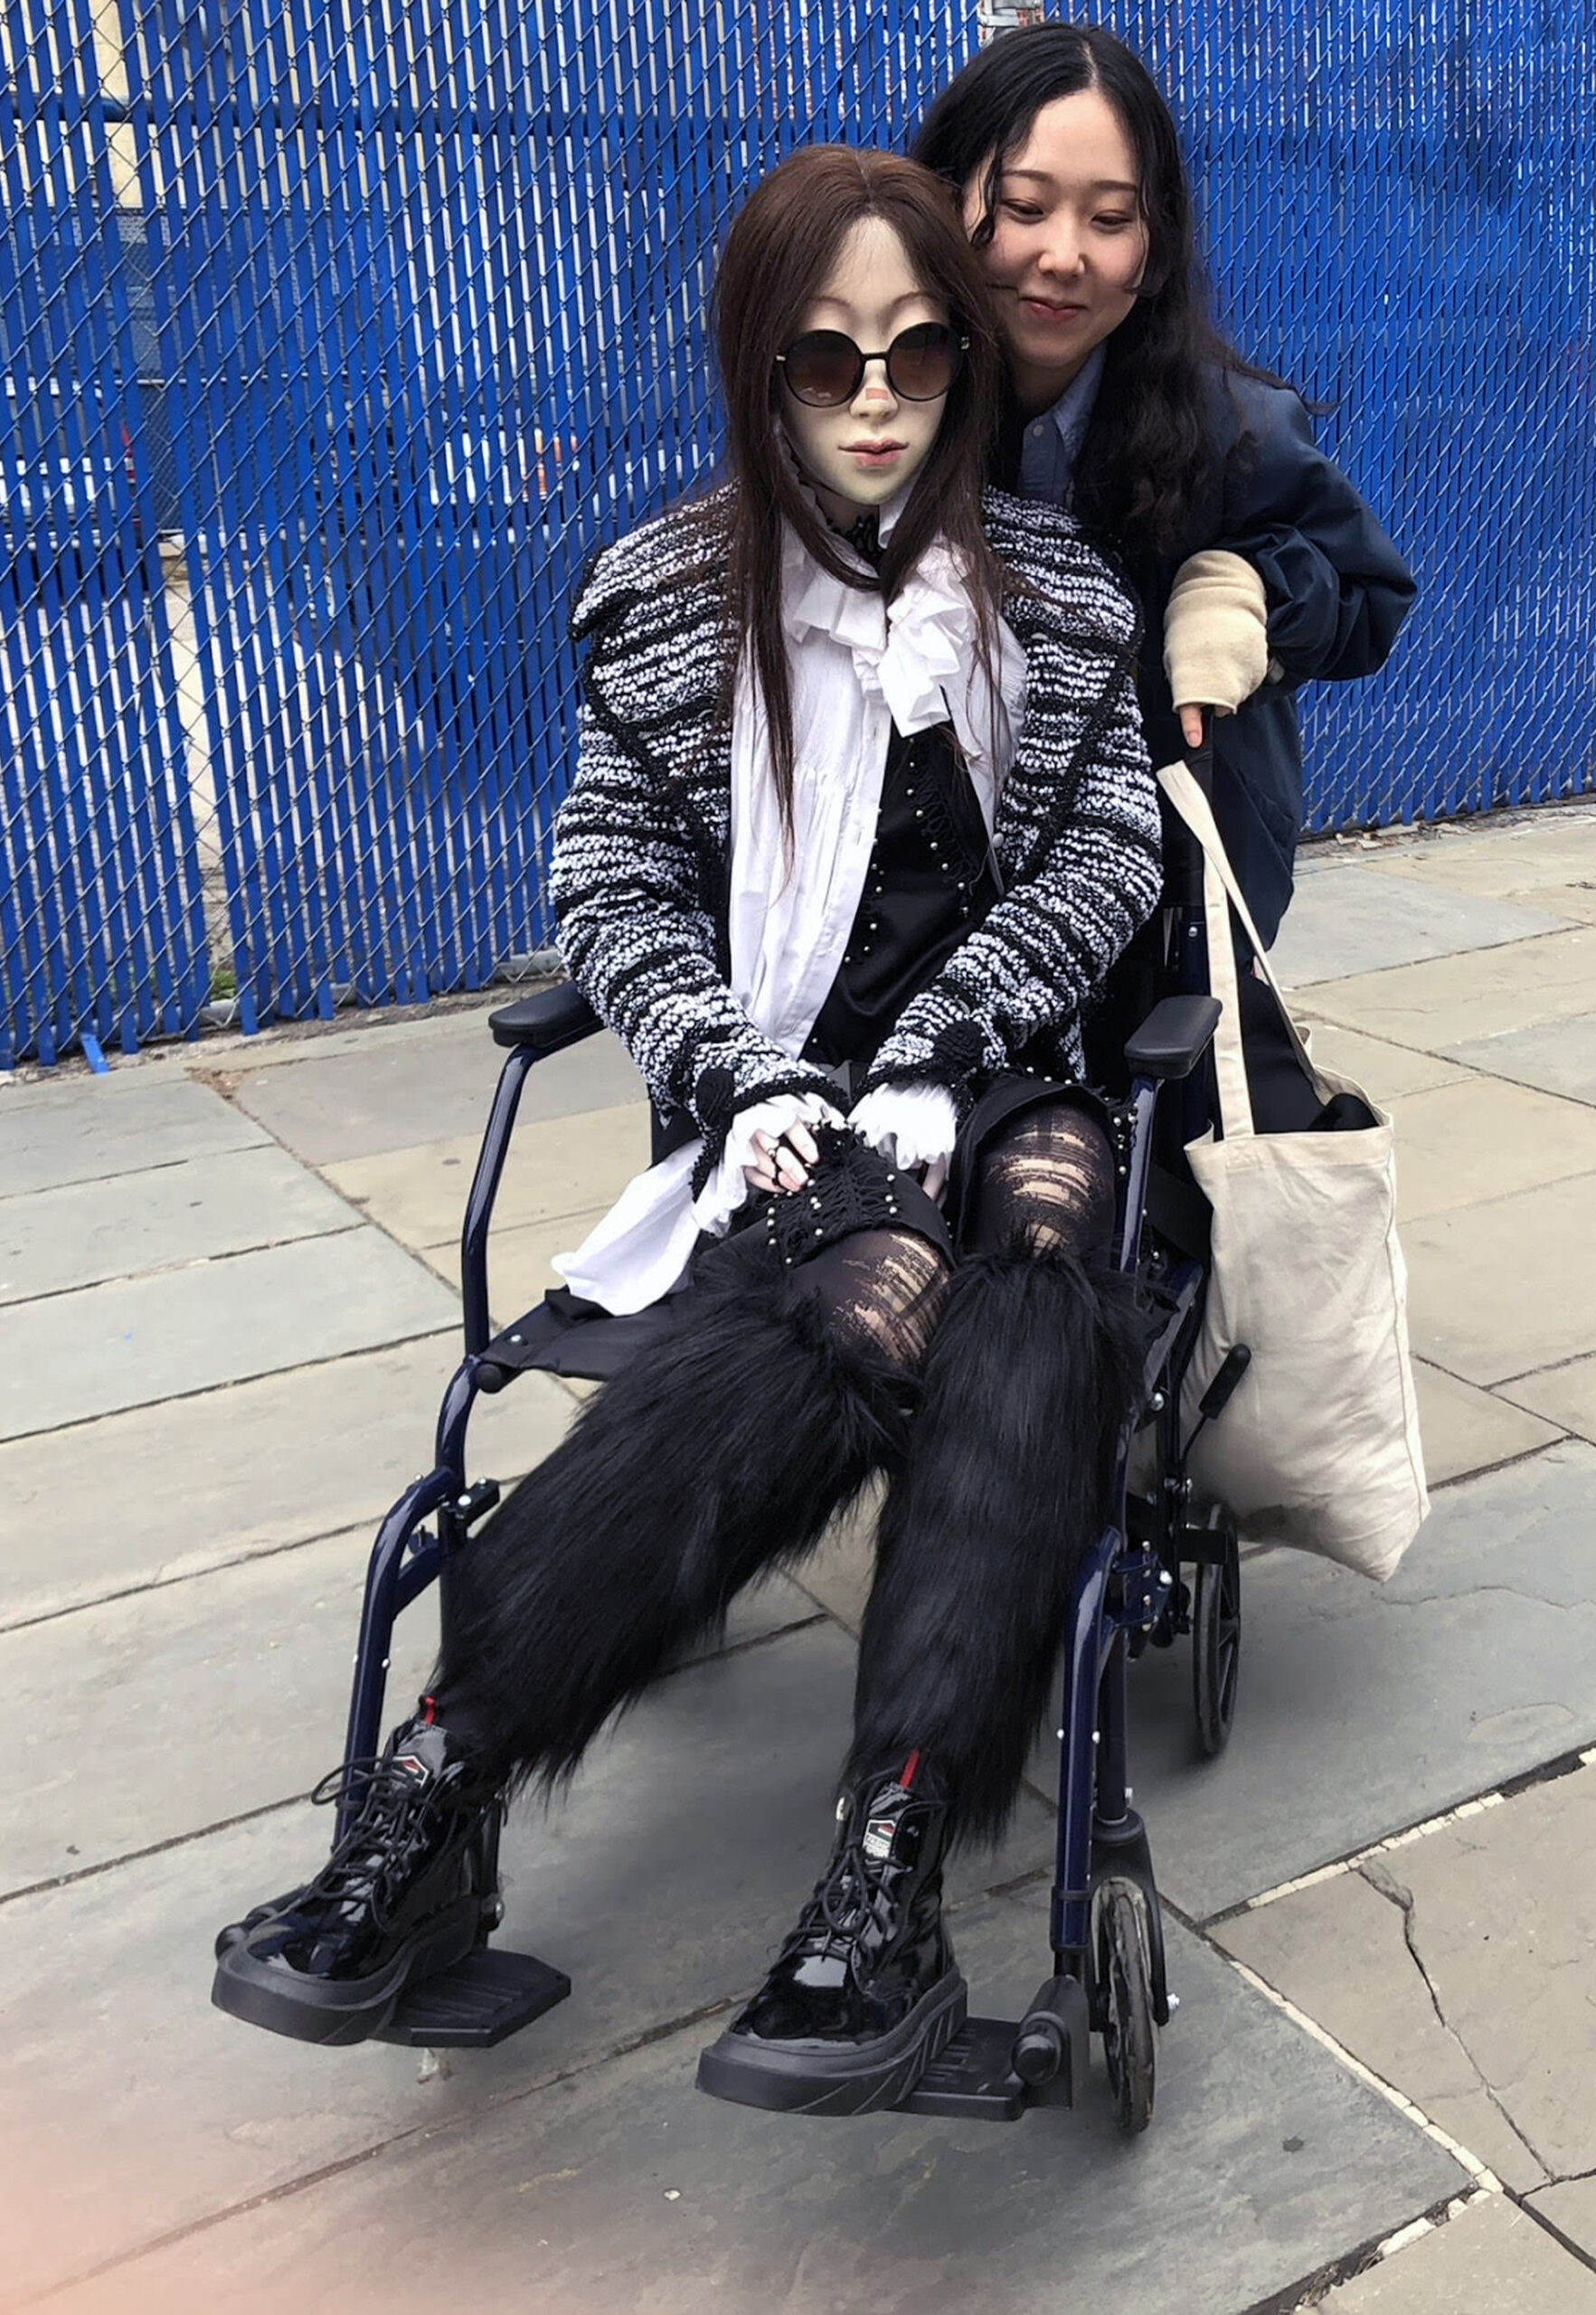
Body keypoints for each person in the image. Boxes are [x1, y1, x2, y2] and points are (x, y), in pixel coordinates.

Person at [210, 147, 1162, 2120]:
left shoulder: (1057, 597)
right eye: (827, 362)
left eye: (913, 352)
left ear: (965, 364)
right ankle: (438, 1786)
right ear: (758, 368)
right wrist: (740, 1065)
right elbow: (614, 877)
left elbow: (1107, 858)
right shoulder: (658, 596)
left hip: (1010, 1083)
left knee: (1043, 1256)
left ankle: (883, 1862)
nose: (877, 396)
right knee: (874, 1290)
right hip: (796, 1119)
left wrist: (955, 1032)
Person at [913, 22, 1415, 956]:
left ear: (1155, 243)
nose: (1064, 255)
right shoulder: (888, 409)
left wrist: (1251, 590)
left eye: (1110, 219)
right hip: (935, 910)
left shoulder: (1235, 428)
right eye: (1022, 207)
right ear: (942, 205)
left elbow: (1368, 596)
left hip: (1167, 903)